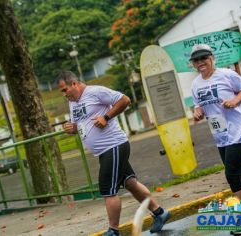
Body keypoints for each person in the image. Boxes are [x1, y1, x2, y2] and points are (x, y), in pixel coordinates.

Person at [57, 71, 170, 236]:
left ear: (74, 84)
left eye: (64, 89)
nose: (64, 94)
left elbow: (124, 100)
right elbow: (80, 125)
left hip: (114, 146)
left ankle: (113, 231)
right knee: (130, 183)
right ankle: (160, 213)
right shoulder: (73, 102)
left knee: (108, 189)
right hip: (104, 151)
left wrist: (106, 117)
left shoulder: (95, 92)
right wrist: (72, 128)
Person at [190, 44, 241, 234]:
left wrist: (235, 101)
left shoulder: (226, 74)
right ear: (193, 64)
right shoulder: (196, 84)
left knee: (232, 175)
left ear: (211, 57)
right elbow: (199, 106)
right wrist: (197, 113)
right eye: (196, 60)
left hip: (239, 130)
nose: (200, 62)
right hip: (220, 135)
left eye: (204, 58)